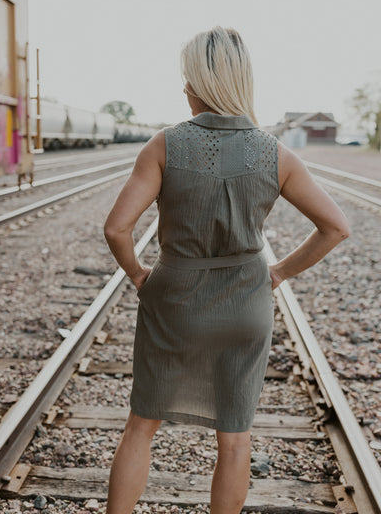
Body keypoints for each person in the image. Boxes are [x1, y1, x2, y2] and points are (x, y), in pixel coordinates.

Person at [103, 26, 350, 514]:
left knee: (140, 426)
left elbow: (116, 229)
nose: (184, 89)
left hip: (174, 299)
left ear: (200, 83)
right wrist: (276, 273)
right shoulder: (276, 154)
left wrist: (137, 275)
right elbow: (335, 227)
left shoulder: (164, 146)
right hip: (246, 305)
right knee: (235, 440)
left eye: (187, 79)